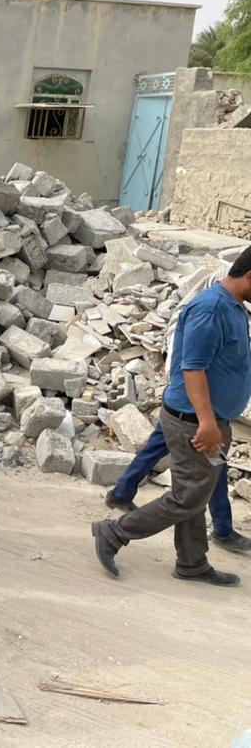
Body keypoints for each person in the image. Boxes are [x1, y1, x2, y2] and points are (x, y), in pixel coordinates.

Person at [91, 249, 251, 587]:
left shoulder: (234, 307)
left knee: (196, 492)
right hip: (195, 423)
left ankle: (192, 563)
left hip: (208, 420)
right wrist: (207, 423)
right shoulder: (211, 309)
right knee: (187, 497)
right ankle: (115, 532)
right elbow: (193, 368)